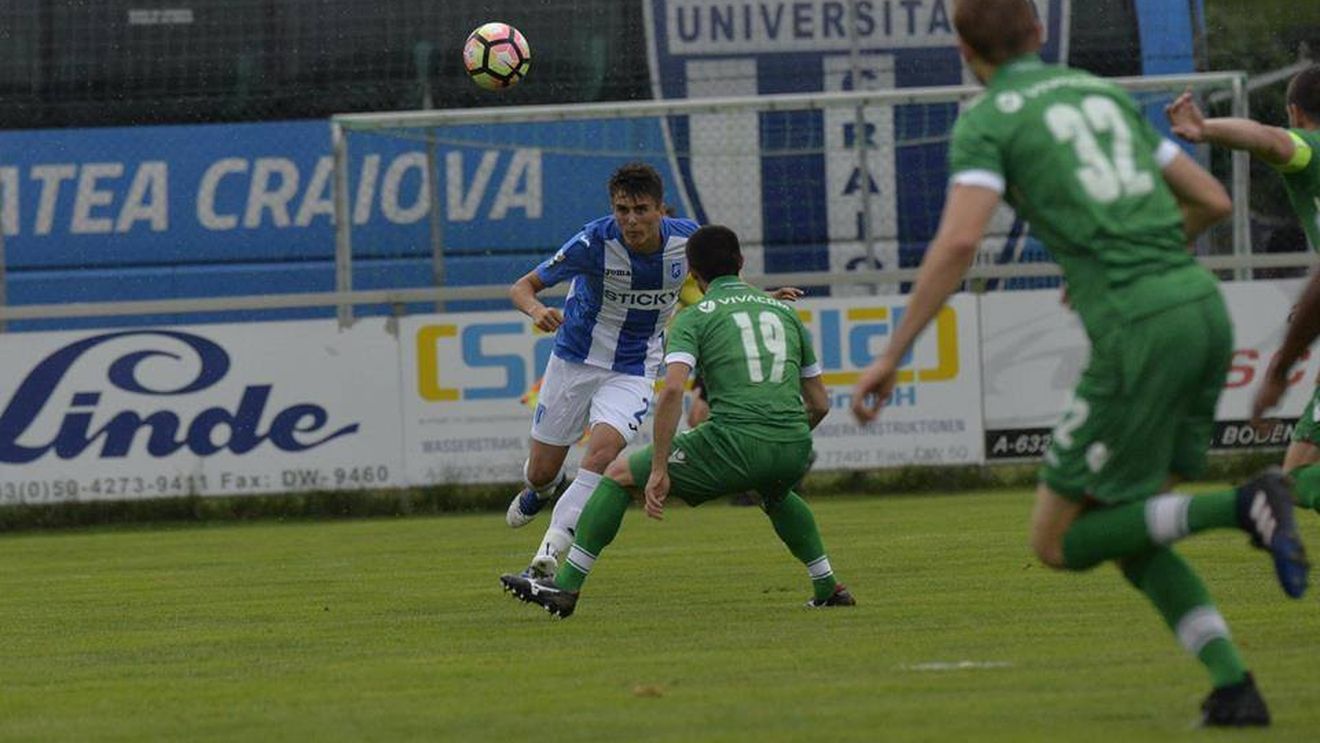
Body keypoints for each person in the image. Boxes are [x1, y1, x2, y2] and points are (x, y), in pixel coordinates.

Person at [849, 0, 1307, 727]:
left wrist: (891, 356)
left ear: (965, 51)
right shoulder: (1099, 92)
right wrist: (1129, 253)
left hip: (1138, 332)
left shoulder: (988, 120)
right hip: (1201, 309)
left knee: (1056, 539)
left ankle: (1242, 503)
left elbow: (961, 241)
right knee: (1129, 522)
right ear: (1038, 33)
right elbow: (1211, 200)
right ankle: (1234, 687)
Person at [500, 225, 854, 617]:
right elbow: (820, 404)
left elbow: (670, 391)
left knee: (617, 474)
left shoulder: (693, 318)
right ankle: (828, 586)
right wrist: (784, 436)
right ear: (741, 262)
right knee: (776, 494)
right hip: (794, 444)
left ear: (690, 270)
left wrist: (658, 469)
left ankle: (563, 586)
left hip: (734, 442)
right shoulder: (785, 313)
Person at [504, 162, 698, 581]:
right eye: (621, 209)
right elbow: (522, 287)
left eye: (641, 209)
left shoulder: (687, 239)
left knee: (602, 453)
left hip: (634, 367)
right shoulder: (593, 240)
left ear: (661, 210)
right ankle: (540, 489)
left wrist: (757, 295)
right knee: (541, 471)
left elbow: (723, 278)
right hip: (574, 360)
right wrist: (537, 311)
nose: (630, 220)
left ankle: (548, 554)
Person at [1166, 65, 1320, 507]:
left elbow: (1266, 138)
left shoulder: (1310, 147)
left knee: (1300, 476)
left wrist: (1205, 128)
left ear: (1294, 112)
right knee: (1299, 472)